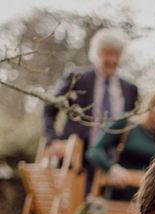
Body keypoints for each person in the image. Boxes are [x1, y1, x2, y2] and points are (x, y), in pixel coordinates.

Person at [43, 28, 139, 163]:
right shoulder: (77, 78)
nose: (111, 59)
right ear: (98, 54)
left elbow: (130, 126)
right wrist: (52, 140)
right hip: (75, 157)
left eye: (116, 54)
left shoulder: (130, 89)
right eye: (107, 53)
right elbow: (50, 107)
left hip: (110, 160)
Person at [87, 91, 155, 201]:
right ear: (149, 108)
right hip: (118, 196)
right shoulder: (126, 124)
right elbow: (94, 150)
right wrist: (111, 168)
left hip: (150, 201)